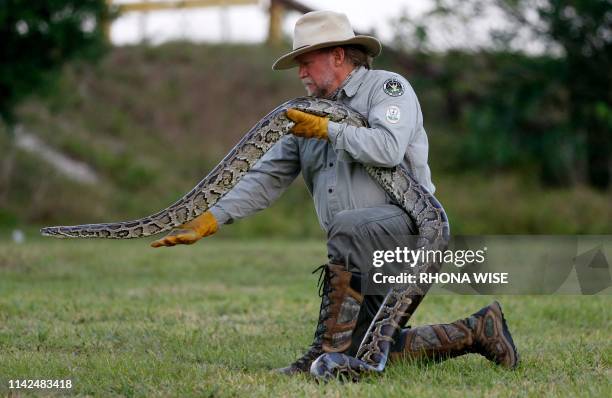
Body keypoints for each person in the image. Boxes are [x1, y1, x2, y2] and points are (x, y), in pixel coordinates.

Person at [151, 11, 518, 374]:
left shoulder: (389, 88)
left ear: (338, 56)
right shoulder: (305, 115)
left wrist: (330, 130)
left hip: (409, 236)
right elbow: (268, 176)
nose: (301, 73)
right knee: (363, 346)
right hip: (355, 255)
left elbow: (388, 148)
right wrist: (213, 217)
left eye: (307, 62)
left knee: (348, 228)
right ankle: (478, 330)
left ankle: (319, 353)